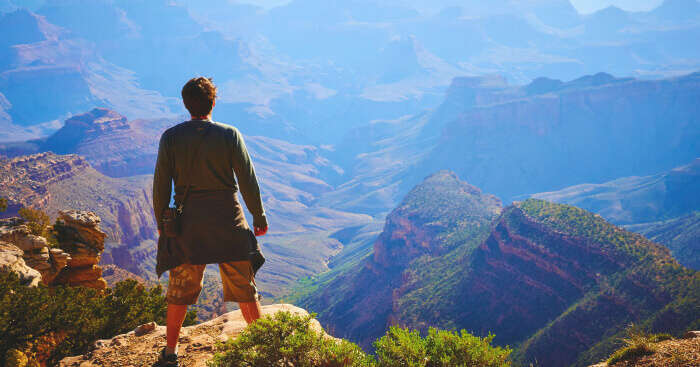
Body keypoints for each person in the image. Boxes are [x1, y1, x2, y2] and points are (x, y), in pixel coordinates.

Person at [152, 77, 268, 367]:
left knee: (179, 291)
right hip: (228, 221)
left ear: (186, 104)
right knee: (245, 288)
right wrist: (258, 215)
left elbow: (160, 186)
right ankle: (266, 349)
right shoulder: (230, 135)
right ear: (213, 103)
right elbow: (247, 179)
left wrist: (160, 223)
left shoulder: (171, 138)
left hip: (188, 225)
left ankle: (170, 352)